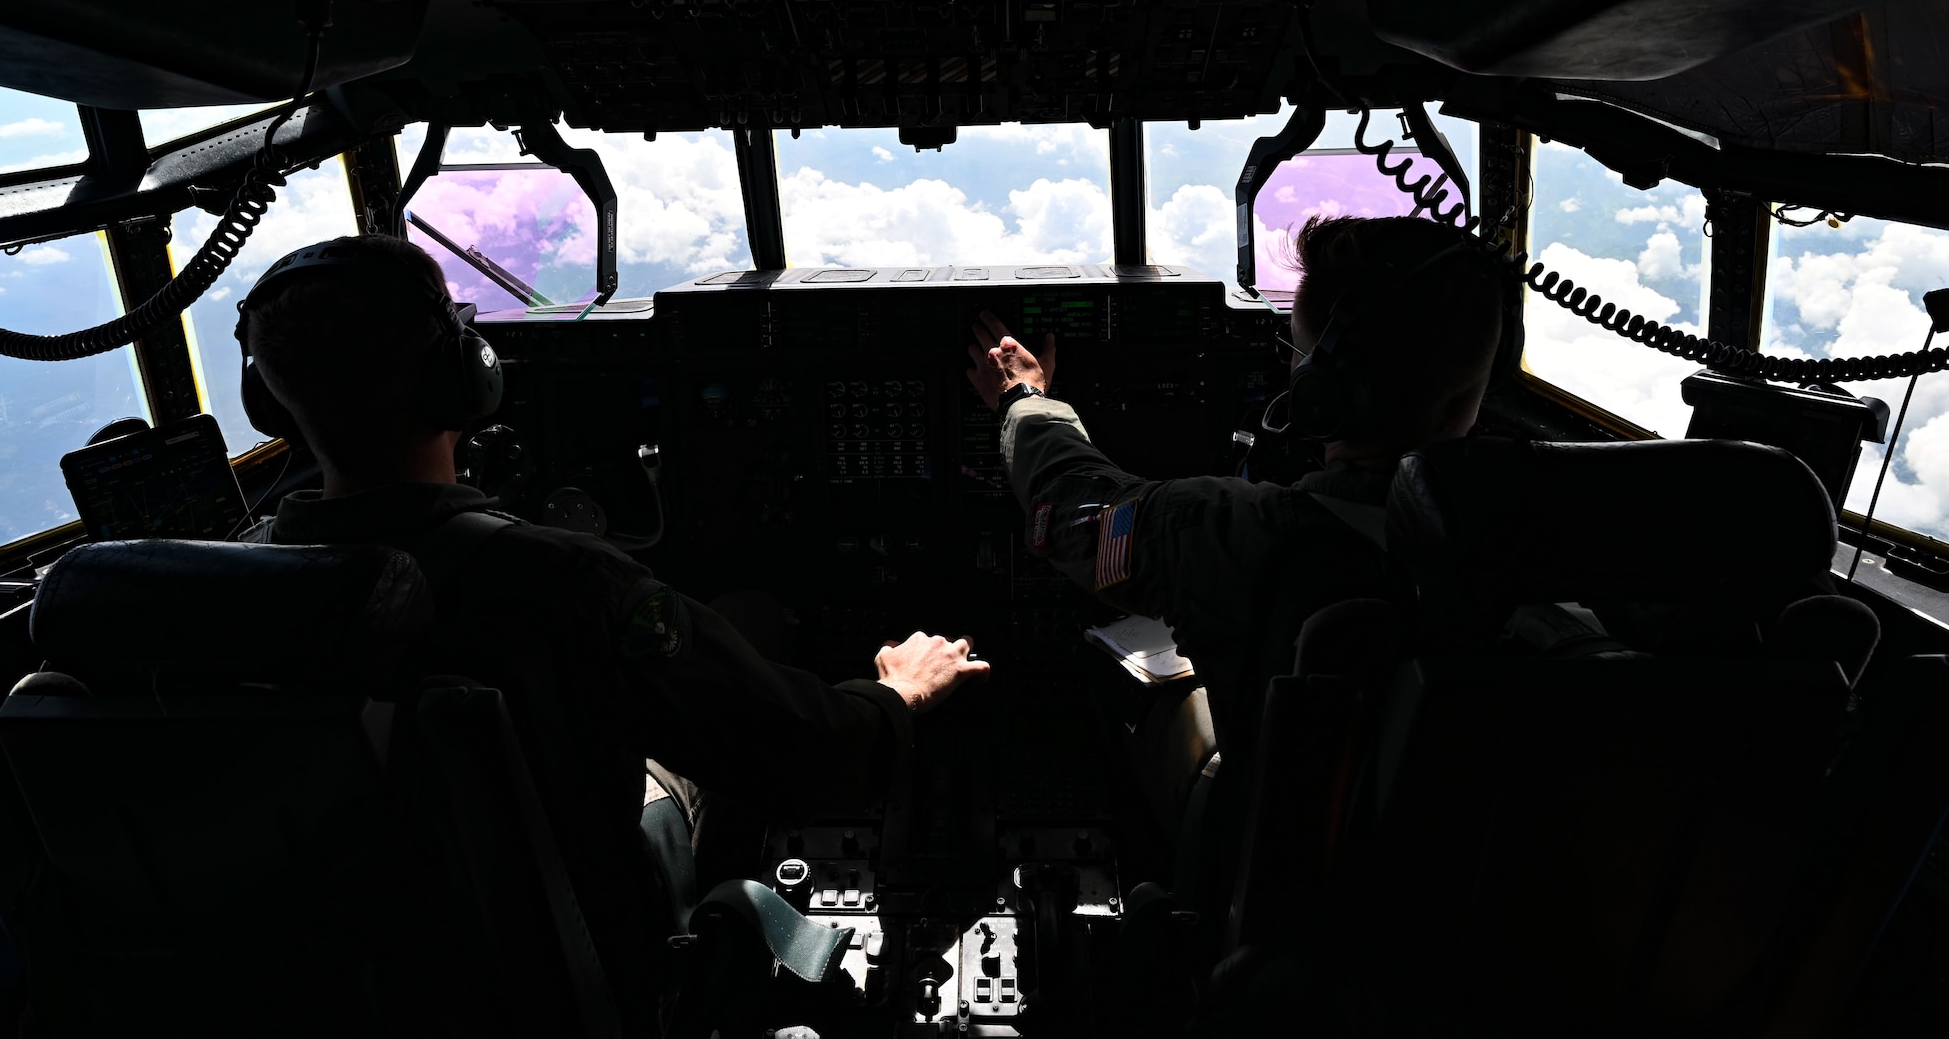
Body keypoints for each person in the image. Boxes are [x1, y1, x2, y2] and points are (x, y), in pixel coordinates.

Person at [239, 233, 987, 1027]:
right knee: (751, 626)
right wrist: (894, 694)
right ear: (460, 380)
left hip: (367, 982)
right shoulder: (564, 582)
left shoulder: (228, 587)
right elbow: (796, 752)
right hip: (582, 976)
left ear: (273, 401)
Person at [963, 214, 1506, 861]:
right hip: (1460, 873)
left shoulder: (1234, 530)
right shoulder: (1560, 536)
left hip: (1285, 874)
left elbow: (1078, 515)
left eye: (1296, 356)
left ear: (1320, 396)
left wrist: (1024, 398)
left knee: (1128, 682)